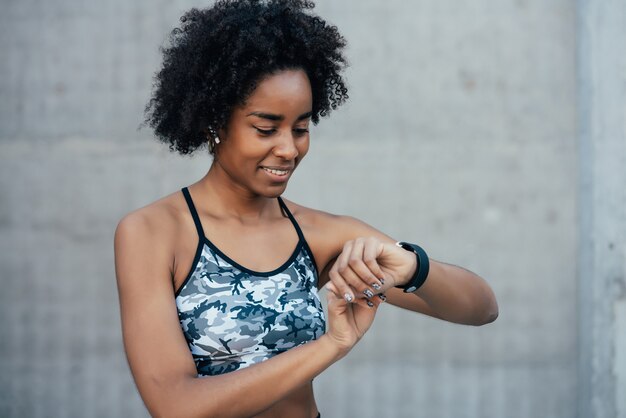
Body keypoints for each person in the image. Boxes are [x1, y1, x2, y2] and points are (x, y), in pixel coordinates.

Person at [113, 1, 499, 417]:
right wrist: (329, 346)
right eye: (265, 128)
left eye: (301, 128)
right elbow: (175, 406)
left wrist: (412, 268)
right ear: (214, 122)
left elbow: (481, 309)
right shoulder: (153, 232)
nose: (288, 148)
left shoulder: (318, 236)